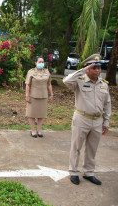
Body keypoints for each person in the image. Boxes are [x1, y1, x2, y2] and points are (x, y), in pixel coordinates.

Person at [63, 54, 111, 186]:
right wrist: (82, 70)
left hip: (97, 121)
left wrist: (106, 122)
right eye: (94, 67)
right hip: (82, 118)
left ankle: (89, 172)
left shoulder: (103, 84)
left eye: (99, 68)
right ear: (88, 68)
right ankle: (73, 172)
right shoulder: (79, 80)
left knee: (92, 148)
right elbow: (66, 81)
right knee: (76, 146)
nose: (97, 70)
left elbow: (107, 104)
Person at [25, 56, 53, 138]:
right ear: (35, 63)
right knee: (31, 113)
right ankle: (33, 130)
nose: (41, 63)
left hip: (43, 96)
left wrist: (51, 94)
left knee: (41, 114)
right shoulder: (31, 72)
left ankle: (39, 130)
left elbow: (49, 84)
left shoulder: (47, 72)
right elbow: (28, 84)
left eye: (42, 62)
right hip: (33, 96)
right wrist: (27, 95)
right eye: (39, 62)